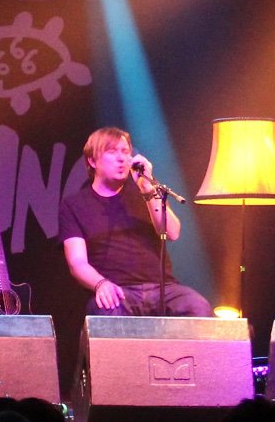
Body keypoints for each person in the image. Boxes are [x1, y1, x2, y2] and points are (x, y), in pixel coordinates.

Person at [58, 127, 211, 317]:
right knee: (108, 313)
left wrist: (148, 189)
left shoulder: (146, 192)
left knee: (197, 306)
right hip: (119, 291)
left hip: (163, 289)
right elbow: (77, 262)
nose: (121, 158)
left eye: (125, 152)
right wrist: (101, 284)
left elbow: (172, 232)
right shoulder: (74, 205)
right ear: (92, 161)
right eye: (112, 151)